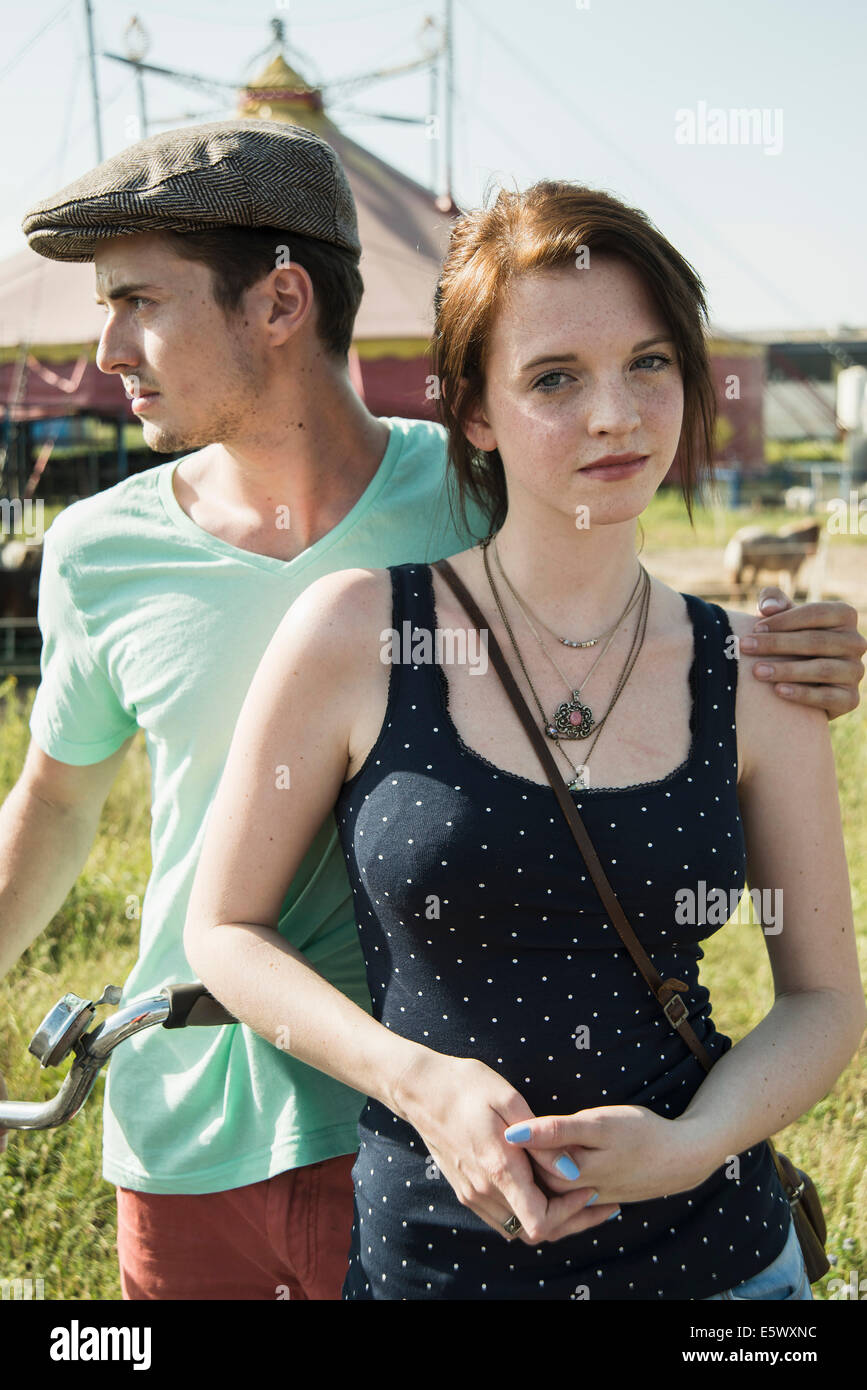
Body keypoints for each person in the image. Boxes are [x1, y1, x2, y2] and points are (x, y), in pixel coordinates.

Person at [0, 126, 863, 1303]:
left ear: (282, 300)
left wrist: (792, 651)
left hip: (593, 1206)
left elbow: (600, 584)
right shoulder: (145, 563)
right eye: (555, 379)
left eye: (139, 302)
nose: (610, 413)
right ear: (487, 412)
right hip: (242, 1134)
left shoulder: (485, 508)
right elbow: (60, 802)